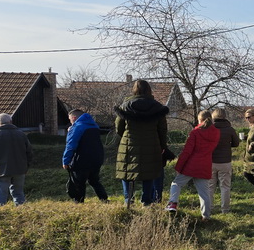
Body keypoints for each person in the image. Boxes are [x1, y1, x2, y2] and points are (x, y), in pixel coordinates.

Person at [114, 79, 169, 207]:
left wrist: (127, 137)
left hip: (129, 143)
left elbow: (119, 128)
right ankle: (146, 201)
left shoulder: (125, 106)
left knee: (126, 172)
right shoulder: (157, 107)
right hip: (151, 144)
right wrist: (162, 146)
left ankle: (129, 200)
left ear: (134, 90)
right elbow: (162, 130)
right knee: (149, 172)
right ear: (149, 90)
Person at [166, 110, 221, 220]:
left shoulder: (195, 132)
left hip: (191, 165)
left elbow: (187, 151)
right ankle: (206, 216)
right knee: (204, 193)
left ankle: (173, 203)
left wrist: (178, 166)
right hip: (205, 165)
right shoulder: (216, 133)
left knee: (176, 183)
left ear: (199, 119)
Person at [62, 109, 108, 203]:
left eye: (70, 119)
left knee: (78, 182)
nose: (70, 122)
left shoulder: (77, 127)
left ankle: (79, 202)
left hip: (81, 159)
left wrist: (65, 161)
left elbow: (71, 145)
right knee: (94, 180)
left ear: (74, 118)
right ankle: (104, 199)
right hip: (96, 158)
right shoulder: (94, 126)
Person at [0, 114, 33, 207]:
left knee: (0, 197)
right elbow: (29, 152)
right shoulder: (21, 134)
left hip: (1, 170)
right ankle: (22, 215)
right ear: (11, 121)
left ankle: (0, 217)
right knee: (19, 195)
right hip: (20, 169)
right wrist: (26, 166)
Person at [209, 107, 240, 214]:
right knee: (225, 187)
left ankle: (209, 207)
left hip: (211, 161)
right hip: (225, 161)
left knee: (210, 186)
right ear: (225, 116)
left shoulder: (209, 128)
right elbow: (236, 143)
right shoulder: (230, 129)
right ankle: (225, 209)